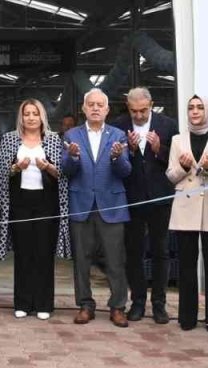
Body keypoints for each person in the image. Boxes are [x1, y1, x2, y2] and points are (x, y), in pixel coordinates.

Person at [0, 99, 70, 320]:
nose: (31, 117)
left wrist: (47, 167)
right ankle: (22, 302)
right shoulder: (9, 139)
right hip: (19, 203)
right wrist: (16, 167)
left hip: (46, 203)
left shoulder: (54, 140)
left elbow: (64, 174)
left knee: (44, 253)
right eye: (27, 114)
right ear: (21, 117)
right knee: (23, 253)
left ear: (42, 117)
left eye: (35, 113)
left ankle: (44, 304)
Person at [62, 88, 132, 328]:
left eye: (99, 105)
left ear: (107, 110)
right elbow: (66, 171)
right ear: (83, 108)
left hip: (112, 205)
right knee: (81, 260)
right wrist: (72, 157)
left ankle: (118, 306)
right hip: (81, 205)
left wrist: (117, 158)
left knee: (115, 260)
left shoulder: (118, 135)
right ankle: (85, 305)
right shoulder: (72, 134)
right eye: (90, 104)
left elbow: (126, 171)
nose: (95, 108)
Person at [111, 86, 178, 324]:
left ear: (151, 105)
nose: (138, 115)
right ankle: (137, 302)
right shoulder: (118, 126)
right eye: (134, 111)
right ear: (127, 107)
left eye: (143, 111)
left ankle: (159, 304)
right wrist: (129, 151)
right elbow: (115, 163)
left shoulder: (168, 125)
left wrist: (160, 150)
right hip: (132, 197)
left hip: (160, 197)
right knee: (133, 252)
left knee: (161, 251)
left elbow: (176, 161)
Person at [166, 95, 208, 332]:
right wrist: (183, 167)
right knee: (186, 264)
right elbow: (171, 176)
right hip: (185, 206)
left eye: (200, 107)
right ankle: (187, 317)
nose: (194, 111)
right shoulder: (177, 139)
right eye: (191, 107)